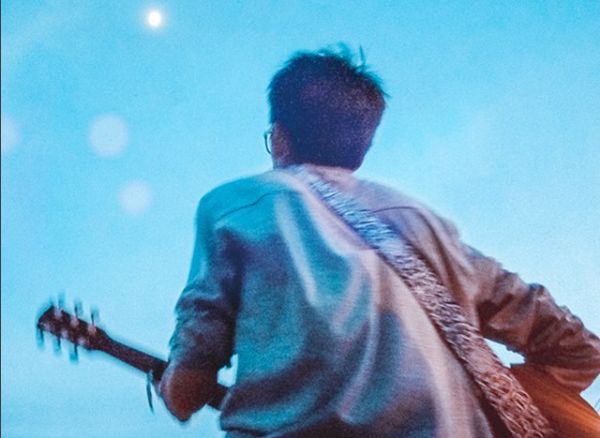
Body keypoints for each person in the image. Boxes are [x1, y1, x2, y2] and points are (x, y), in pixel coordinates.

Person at [158, 47, 600, 437]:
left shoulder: (237, 205)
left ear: (279, 137)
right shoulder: (426, 224)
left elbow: (188, 389)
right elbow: (579, 351)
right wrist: (488, 401)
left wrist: (172, 384)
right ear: (362, 146)